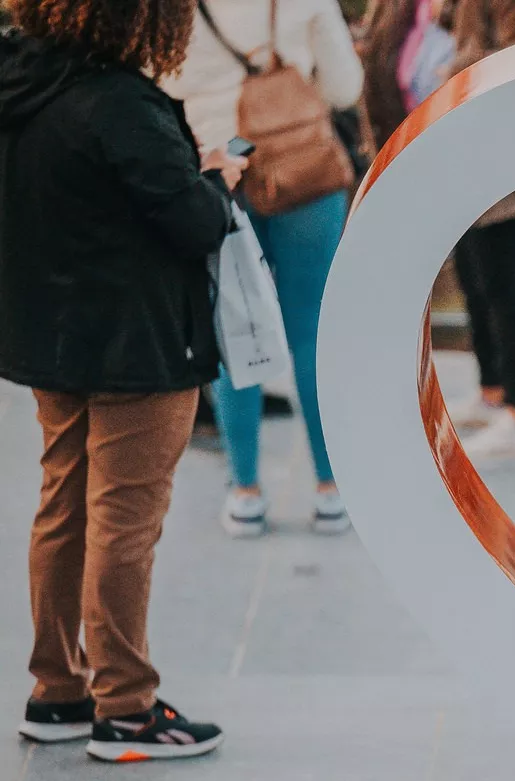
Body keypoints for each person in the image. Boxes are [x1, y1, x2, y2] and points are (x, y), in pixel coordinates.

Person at [0, 0, 242, 760]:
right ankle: (129, 708)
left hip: (52, 335)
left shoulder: (19, 84)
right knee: (124, 522)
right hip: (139, 343)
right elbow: (196, 223)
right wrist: (219, 178)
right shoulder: (120, 104)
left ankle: (58, 689)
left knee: (62, 504)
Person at [160, 0, 365, 538]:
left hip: (217, 167)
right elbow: (344, 87)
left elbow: (164, 82)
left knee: (234, 326)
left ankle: (245, 491)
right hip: (301, 162)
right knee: (311, 330)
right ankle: (329, 490)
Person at [359, 0, 515, 462]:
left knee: (507, 283)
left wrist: (456, 76)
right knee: (475, 279)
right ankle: (493, 393)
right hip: (459, 160)